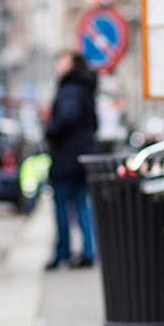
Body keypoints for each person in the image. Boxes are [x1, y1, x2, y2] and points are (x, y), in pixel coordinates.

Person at [44, 50, 98, 270]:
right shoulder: (86, 87)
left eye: (62, 61)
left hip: (66, 157)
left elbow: (67, 117)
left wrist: (51, 131)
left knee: (62, 206)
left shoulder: (69, 89)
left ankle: (63, 252)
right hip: (83, 155)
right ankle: (88, 251)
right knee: (82, 204)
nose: (58, 65)